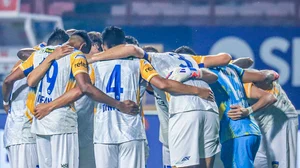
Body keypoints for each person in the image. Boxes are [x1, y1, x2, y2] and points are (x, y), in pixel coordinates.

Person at [87, 43, 234, 168]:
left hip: (186, 108)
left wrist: (93, 58)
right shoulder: (189, 59)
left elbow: (132, 49)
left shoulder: (154, 59)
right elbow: (225, 58)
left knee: (183, 164)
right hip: (210, 107)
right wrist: (192, 72)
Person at [21, 29, 139, 168]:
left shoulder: (41, 54)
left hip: (41, 120)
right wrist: (118, 104)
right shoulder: (77, 57)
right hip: (64, 122)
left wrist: (51, 55)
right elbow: (84, 87)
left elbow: (27, 74)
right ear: (84, 47)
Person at [242, 70, 298, 168]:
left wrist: (248, 110)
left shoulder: (242, 84)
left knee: (279, 164)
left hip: (280, 119)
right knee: (258, 163)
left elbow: (270, 97)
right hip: (259, 125)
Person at [2, 48, 38, 168]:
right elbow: (7, 82)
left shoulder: (20, 68)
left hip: (23, 133)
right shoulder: (32, 67)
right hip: (22, 134)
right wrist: (5, 102)